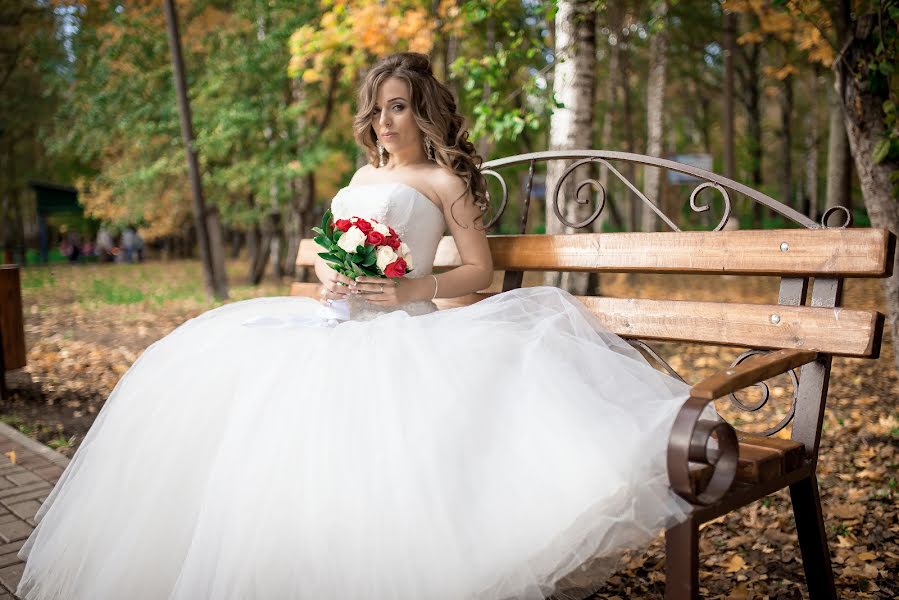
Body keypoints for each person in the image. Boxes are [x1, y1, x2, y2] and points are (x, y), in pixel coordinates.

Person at [17, 53, 693, 600]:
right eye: (376, 107)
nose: (384, 119)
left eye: (397, 105)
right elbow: (337, 252)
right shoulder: (360, 173)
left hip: (407, 328)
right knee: (225, 396)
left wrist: (412, 288)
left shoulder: (443, 181)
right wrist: (329, 279)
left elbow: (478, 272)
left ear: (422, 110)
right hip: (332, 323)